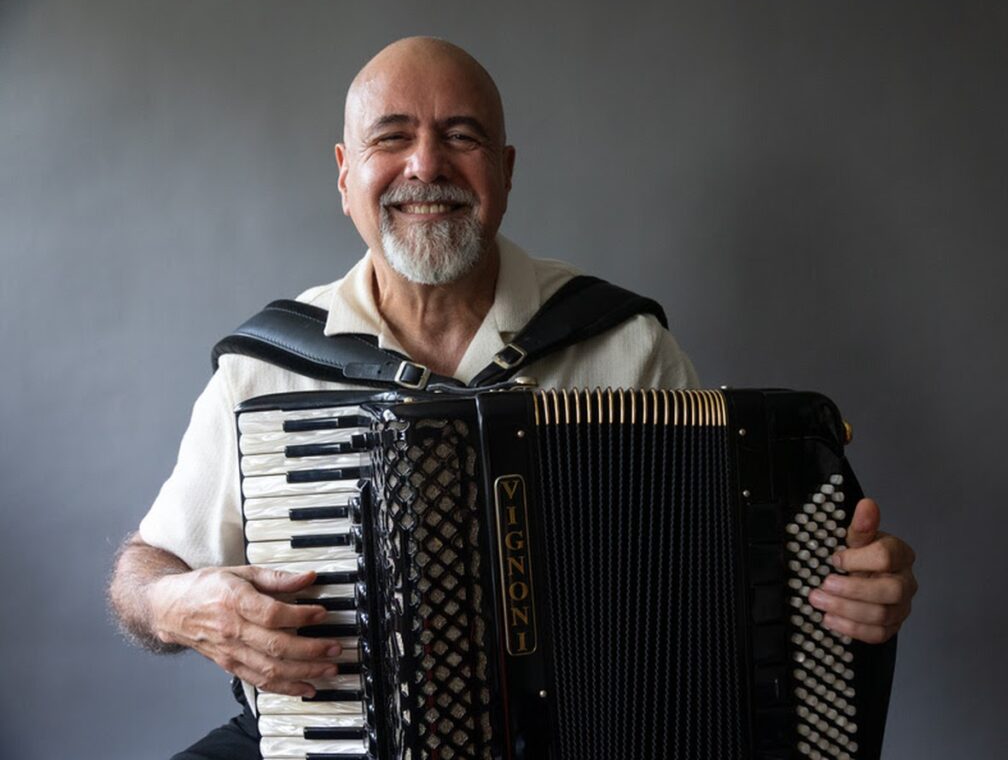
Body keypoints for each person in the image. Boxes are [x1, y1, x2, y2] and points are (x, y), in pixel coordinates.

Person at [108, 37, 918, 759]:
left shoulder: (623, 345)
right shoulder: (265, 370)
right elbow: (145, 570)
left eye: (462, 136)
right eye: (392, 138)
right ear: (346, 175)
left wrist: (847, 597)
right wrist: (176, 603)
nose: (427, 165)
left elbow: (745, 583)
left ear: (505, 171)